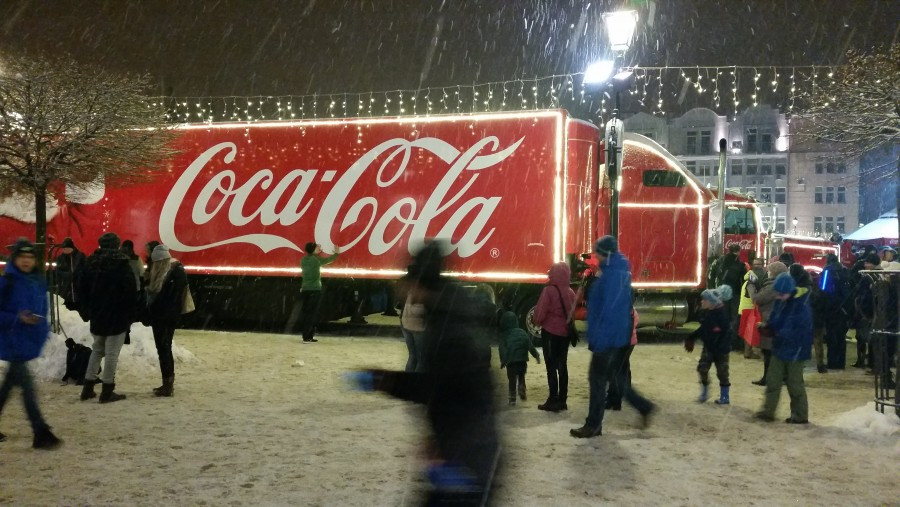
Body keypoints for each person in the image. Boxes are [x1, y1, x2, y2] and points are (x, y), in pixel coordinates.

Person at [348, 241, 499, 504]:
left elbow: (441, 389)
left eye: (410, 284)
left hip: (468, 457)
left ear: (420, 284)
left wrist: (384, 381)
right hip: (468, 450)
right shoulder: (448, 313)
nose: (407, 292)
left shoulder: (449, 328)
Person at [571, 236, 655, 439]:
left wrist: (600, 340)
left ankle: (593, 425)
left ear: (605, 253)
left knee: (597, 380)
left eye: (597, 252)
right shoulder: (617, 272)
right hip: (617, 338)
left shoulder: (611, 276)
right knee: (617, 380)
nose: (595, 256)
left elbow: (609, 311)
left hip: (608, 339)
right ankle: (644, 407)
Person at [0, 239, 62, 449]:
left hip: (27, 341)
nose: (26, 261)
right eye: (22, 257)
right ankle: (40, 431)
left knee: (8, 387)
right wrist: (18, 318)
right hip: (12, 341)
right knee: (27, 388)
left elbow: (41, 311)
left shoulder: (37, 281)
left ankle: (40, 432)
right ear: (14, 259)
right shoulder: (7, 282)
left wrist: (40, 330)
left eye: (29, 257)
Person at [76, 232, 138, 403]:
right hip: (117, 315)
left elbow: (81, 288)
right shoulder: (122, 264)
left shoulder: (90, 263)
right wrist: (130, 314)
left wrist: (87, 309)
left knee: (97, 350)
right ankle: (107, 390)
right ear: (117, 245)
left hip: (98, 314)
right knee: (111, 354)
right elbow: (131, 292)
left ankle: (87, 388)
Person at [754, 273, 813, 424]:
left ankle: (800, 415)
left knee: (795, 384)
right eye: (778, 293)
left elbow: (800, 329)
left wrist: (776, 332)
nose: (779, 296)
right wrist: (768, 327)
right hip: (780, 347)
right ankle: (768, 411)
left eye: (782, 293)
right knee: (773, 381)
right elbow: (776, 319)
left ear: (790, 290)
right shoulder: (781, 301)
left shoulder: (801, 305)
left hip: (796, 351)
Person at [531, 262, 576, 412]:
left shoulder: (549, 291)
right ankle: (562, 400)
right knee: (562, 366)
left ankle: (552, 399)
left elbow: (540, 312)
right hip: (565, 335)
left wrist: (536, 321)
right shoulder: (570, 292)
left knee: (551, 366)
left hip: (550, 333)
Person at [145, 245, 188, 397]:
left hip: (162, 317)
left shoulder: (167, 274)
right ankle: (167, 382)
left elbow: (160, 298)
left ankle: (167, 384)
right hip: (170, 316)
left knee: (163, 349)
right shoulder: (178, 271)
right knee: (165, 348)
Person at [685, 285, 733, 404]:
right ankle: (704, 392)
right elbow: (703, 329)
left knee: (722, 372)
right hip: (709, 348)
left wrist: (721, 346)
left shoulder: (722, 315)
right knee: (702, 368)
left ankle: (725, 396)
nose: (702, 301)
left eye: (704, 300)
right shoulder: (707, 313)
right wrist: (691, 337)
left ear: (712, 302)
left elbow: (726, 333)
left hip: (721, 350)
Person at [749, 261, 788, 385]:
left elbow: (758, 299)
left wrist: (751, 288)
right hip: (780, 321)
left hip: (769, 320)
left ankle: (768, 378)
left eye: (769, 271)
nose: (767, 273)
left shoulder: (773, 286)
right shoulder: (785, 284)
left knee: (768, 352)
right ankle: (782, 377)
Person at [299, 242, 339, 343]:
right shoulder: (316, 260)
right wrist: (336, 253)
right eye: (317, 247)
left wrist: (316, 250)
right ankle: (308, 336)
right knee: (312, 314)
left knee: (306, 313)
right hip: (314, 289)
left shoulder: (303, 260)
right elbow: (329, 260)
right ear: (313, 250)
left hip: (305, 289)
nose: (319, 248)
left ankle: (306, 335)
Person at [499, 311, 540, 405]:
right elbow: (529, 345)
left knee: (512, 380)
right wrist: (536, 355)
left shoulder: (505, 335)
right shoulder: (522, 332)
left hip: (511, 361)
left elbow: (503, 349)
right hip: (522, 360)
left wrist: (503, 361)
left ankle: (512, 399)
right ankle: (522, 387)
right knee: (521, 376)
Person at [819, 254, 850, 369]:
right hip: (843, 309)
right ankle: (841, 362)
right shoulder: (845, 271)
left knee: (832, 336)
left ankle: (832, 362)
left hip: (831, 308)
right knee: (841, 336)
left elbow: (823, 289)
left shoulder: (827, 271)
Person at [605, 307, 639, 411]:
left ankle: (615, 399)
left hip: (621, 343)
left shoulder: (621, 310)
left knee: (615, 371)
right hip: (629, 342)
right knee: (623, 368)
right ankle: (619, 395)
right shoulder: (632, 310)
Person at [398, 269, 427, 372]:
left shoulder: (402, 282)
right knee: (421, 358)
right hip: (418, 323)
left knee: (412, 355)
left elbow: (399, 301)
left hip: (404, 320)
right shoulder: (422, 283)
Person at [53, 237, 86, 311]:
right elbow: (57, 272)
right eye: (63, 249)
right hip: (65, 290)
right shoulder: (60, 258)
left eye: (66, 248)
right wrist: (67, 275)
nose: (64, 250)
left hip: (78, 290)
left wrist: (78, 275)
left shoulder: (80, 256)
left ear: (71, 248)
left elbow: (85, 270)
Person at [738, 270, 761, 359]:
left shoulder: (745, 283)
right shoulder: (750, 284)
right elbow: (753, 298)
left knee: (747, 331)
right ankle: (748, 352)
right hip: (749, 309)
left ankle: (747, 351)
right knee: (749, 332)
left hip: (744, 309)